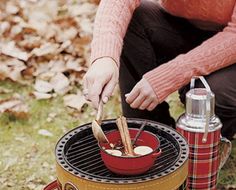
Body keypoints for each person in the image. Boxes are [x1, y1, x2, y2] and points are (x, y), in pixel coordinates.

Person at [83, 0, 236, 140]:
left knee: (209, 93)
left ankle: (202, 148)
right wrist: (104, 57)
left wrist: (171, 75)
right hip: (185, 27)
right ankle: (147, 135)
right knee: (134, 20)